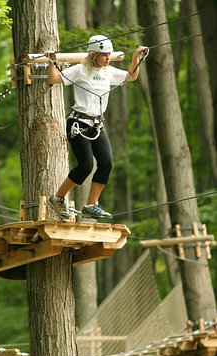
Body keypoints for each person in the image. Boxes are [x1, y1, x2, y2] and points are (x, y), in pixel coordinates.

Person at [46, 35, 148, 219]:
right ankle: (58, 198)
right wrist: (52, 61)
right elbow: (53, 79)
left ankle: (91, 204)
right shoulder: (80, 70)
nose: (108, 58)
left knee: (107, 163)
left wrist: (136, 58)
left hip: (96, 124)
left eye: (109, 55)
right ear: (93, 55)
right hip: (78, 123)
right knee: (85, 166)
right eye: (103, 55)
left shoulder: (109, 72)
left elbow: (131, 77)